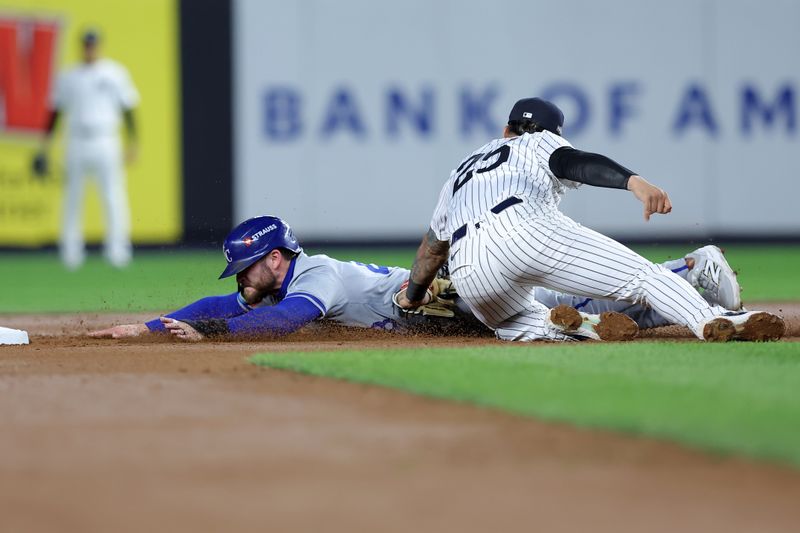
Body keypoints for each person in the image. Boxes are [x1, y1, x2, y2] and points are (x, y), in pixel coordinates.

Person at [393, 97, 785, 342]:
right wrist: (632, 181)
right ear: (551, 132)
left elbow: (431, 249)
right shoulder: (539, 140)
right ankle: (710, 321)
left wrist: (412, 297)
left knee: (510, 322)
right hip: (524, 230)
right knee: (645, 279)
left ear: (505, 130)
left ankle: (570, 326)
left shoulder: (460, 170)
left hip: (469, 269)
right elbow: (573, 163)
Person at [88, 215, 749, 342]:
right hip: (444, 308)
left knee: (569, 300)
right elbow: (221, 301)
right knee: (569, 311)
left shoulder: (312, 275)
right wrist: (149, 325)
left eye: (248, 269)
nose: (242, 282)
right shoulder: (279, 280)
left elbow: (282, 322)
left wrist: (212, 334)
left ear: (277, 258)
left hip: (451, 292)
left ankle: (693, 268)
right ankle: (690, 290)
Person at [34, 28, 139, 269]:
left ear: (99, 46)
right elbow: (55, 113)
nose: (89, 48)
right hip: (77, 140)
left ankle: (118, 251)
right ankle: (71, 252)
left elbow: (128, 108)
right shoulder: (68, 76)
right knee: (72, 197)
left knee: (113, 195)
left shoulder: (114, 72)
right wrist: (45, 145)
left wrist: (133, 142)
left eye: (93, 44)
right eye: (86, 44)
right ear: (81, 46)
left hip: (106, 139)